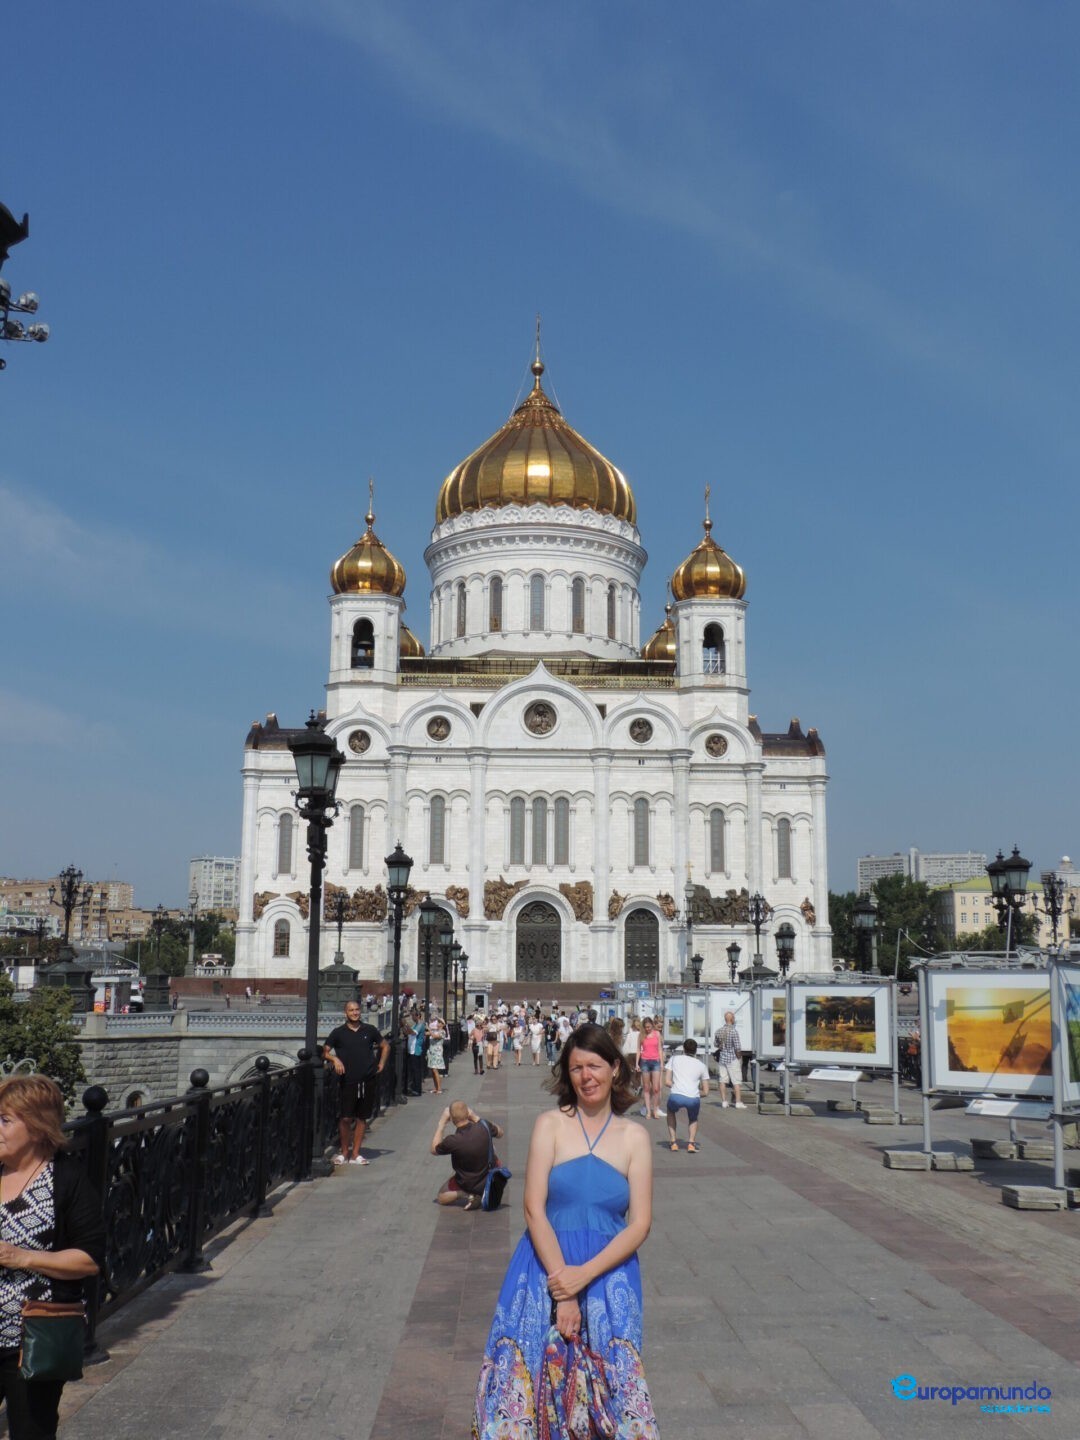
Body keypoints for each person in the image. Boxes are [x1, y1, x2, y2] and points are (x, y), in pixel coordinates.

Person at [472, 1024, 659, 1439]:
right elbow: (532, 1209)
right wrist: (566, 1288)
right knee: (533, 1384)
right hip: (544, 1268)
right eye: (576, 1068)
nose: (586, 1077)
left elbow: (640, 1223)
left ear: (615, 1069)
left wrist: (585, 1275)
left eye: (594, 1066)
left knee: (607, 1392)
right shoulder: (550, 1125)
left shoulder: (635, 1137)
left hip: (609, 1276)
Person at [0, 1075, 105, 1440]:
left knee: (31, 1431)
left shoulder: (67, 1179)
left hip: (34, 1339)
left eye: (5, 1120)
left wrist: (22, 1257)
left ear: (37, 1126)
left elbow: (89, 1259)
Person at [324, 999, 390, 1165]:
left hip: (367, 1079)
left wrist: (381, 1063)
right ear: (345, 1013)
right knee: (346, 1117)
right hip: (347, 1080)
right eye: (351, 1010)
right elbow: (323, 1051)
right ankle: (344, 1152)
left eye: (357, 1010)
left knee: (362, 1118)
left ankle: (355, 1153)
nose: (355, 1013)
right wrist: (334, 1059)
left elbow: (385, 1046)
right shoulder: (338, 1032)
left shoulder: (369, 1030)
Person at [432, 1100, 505, 1211]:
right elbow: (500, 1133)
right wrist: (476, 1117)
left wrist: (441, 1124)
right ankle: (485, 1189)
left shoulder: (452, 1141)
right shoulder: (483, 1126)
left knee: (442, 1196)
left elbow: (434, 1149)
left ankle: (466, 1193)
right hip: (490, 1174)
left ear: (451, 1119)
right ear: (468, 1113)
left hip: (468, 1182)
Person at [663, 1039, 710, 1153]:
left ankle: (673, 1142)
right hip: (693, 1097)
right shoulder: (702, 1066)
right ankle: (691, 1143)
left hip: (676, 1095)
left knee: (670, 1111)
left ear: (683, 1049)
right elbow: (706, 1091)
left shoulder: (674, 1059)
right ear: (695, 1051)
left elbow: (667, 1081)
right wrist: (695, 1093)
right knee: (693, 1119)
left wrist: (678, 1087)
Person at [713, 1011, 747, 1109]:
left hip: (722, 1058)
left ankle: (724, 1101)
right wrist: (739, 1057)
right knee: (736, 1080)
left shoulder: (718, 1031)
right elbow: (737, 1047)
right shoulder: (733, 1031)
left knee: (722, 1080)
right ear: (732, 1019)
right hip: (732, 1058)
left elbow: (716, 1044)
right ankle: (738, 1102)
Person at [637, 1016, 664, 1119]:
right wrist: (636, 1064)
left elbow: (660, 1049)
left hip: (655, 1061)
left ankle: (655, 1109)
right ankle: (648, 1111)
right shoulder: (642, 1035)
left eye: (649, 1027)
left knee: (656, 1088)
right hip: (645, 1062)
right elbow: (638, 1049)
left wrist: (661, 1063)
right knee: (647, 1088)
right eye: (646, 1027)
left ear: (652, 1025)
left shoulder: (657, 1034)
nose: (647, 1029)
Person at [406, 1009, 426, 1097]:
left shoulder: (420, 1025)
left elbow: (413, 1033)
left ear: (418, 1016)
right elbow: (407, 1032)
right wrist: (404, 1026)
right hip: (412, 1050)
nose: (412, 1017)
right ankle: (414, 1088)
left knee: (416, 1071)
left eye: (414, 1016)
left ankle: (417, 1090)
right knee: (413, 1071)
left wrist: (406, 1025)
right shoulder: (415, 1024)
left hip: (416, 1050)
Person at [427, 1015, 448, 1095]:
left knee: (435, 1070)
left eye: (440, 1022)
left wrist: (429, 1029)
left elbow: (435, 1036)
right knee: (433, 1070)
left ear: (442, 1024)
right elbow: (429, 1033)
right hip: (432, 1052)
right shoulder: (436, 1030)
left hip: (437, 1052)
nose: (438, 1024)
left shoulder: (442, 1032)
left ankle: (439, 1088)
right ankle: (435, 1087)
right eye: (438, 1022)